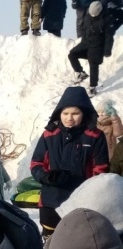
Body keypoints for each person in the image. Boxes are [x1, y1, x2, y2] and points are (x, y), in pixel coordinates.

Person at [31, 86, 109, 237]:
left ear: (84, 113)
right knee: (50, 246)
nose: (69, 118)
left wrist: (87, 189)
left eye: (75, 113)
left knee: (77, 243)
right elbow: (36, 164)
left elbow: (101, 169)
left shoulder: (94, 136)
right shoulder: (49, 134)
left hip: (80, 202)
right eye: (65, 113)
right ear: (59, 113)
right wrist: (46, 177)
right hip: (50, 201)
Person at [69, 1, 109, 96]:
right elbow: (85, 28)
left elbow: (108, 37)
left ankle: (92, 87)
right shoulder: (87, 16)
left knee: (93, 63)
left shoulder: (105, 20)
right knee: (72, 54)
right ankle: (80, 73)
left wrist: (106, 49)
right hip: (85, 43)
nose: (92, 15)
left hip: (97, 47)